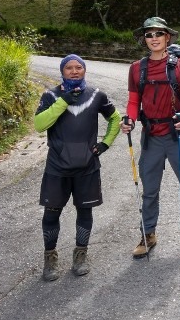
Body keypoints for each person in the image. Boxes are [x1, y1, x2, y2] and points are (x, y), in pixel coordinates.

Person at [121, 17, 180, 258]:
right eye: (149, 34)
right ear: (144, 39)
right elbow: (134, 102)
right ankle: (148, 233)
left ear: (167, 38)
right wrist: (130, 119)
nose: (153, 38)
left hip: (177, 134)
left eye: (158, 34)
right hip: (151, 135)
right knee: (150, 189)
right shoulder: (136, 68)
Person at [35, 54, 121, 281]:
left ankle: (80, 255)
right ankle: (50, 258)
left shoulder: (96, 95)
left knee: (85, 212)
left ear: (84, 70)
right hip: (57, 168)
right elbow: (38, 125)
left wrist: (104, 144)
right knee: (51, 213)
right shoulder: (50, 95)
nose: (74, 71)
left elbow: (115, 118)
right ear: (62, 71)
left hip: (87, 167)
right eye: (69, 68)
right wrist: (63, 100)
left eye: (79, 67)